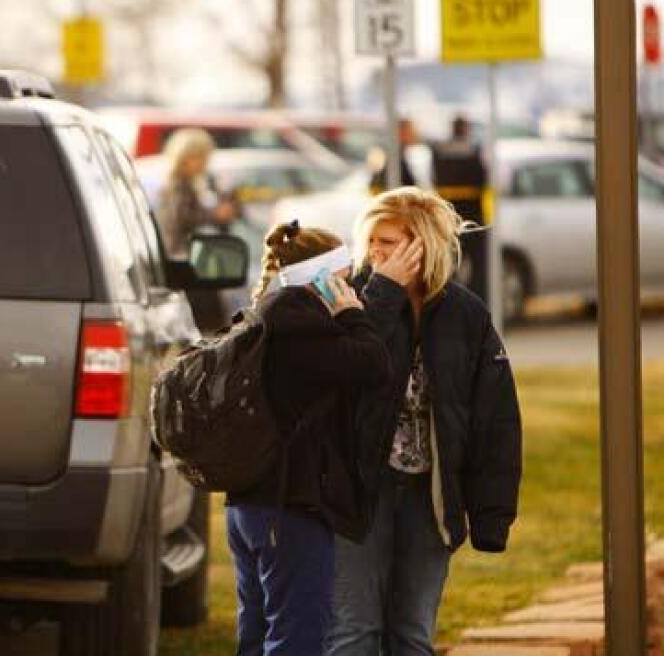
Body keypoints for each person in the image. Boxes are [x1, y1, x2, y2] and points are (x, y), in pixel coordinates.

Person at [327, 187, 522, 655]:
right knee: (354, 631)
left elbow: (496, 420)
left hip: (429, 499)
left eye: (388, 243)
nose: (375, 253)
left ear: (423, 246)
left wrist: (491, 517)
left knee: (412, 633)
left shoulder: (466, 315)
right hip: (359, 493)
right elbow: (343, 372)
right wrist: (383, 296)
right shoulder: (350, 300)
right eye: (371, 241)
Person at [227, 221, 391, 655]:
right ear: (321, 278)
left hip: (250, 504)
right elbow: (374, 365)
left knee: (257, 633)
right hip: (290, 507)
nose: (350, 284)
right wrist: (352, 313)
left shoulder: (265, 314)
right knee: (296, 638)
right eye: (342, 277)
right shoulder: (300, 322)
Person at [155, 128, 240, 331]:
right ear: (188, 157)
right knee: (209, 325)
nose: (205, 164)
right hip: (186, 262)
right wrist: (215, 215)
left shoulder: (193, 184)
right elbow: (180, 219)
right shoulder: (178, 185)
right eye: (202, 158)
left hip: (193, 261)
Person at [432, 115, 490, 302]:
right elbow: (484, 181)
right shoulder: (474, 150)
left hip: (447, 214)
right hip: (473, 215)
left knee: (448, 263)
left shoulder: (439, 151)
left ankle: (448, 300)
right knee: (478, 265)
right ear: (465, 129)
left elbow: (434, 180)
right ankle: (477, 301)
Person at [369, 119, 419, 193]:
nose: (415, 134)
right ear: (401, 132)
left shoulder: (403, 152)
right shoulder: (391, 154)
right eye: (410, 131)